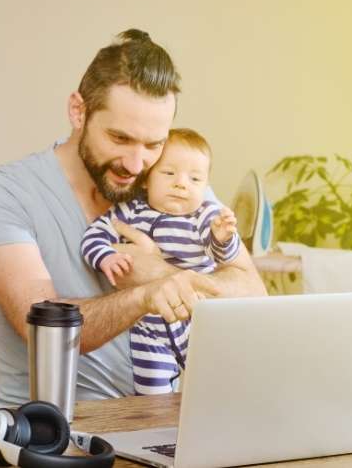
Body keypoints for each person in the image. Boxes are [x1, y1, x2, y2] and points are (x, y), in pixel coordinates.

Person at [0, 28, 266, 408]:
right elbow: (42, 328)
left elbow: (253, 294)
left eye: (154, 144)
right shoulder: (7, 192)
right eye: (120, 139)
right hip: (50, 430)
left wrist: (160, 273)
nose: (136, 164)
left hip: (162, 421)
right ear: (79, 111)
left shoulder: (173, 183)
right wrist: (143, 293)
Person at [80, 128, 240, 395]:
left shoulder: (203, 215)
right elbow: (94, 235)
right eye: (169, 173)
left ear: (205, 186)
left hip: (197, 322)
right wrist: (105, 256)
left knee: (218, 386)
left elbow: (221, 255)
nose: (181, 184)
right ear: (146, 180)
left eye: (195, 178)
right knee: (153, 394)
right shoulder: (129, 211)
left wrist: (222, 238)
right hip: (148, 327)